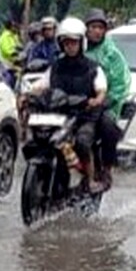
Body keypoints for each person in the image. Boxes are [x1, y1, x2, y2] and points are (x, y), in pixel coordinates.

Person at [42, 17, 109, 193]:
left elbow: (101, 91)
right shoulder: (55, 67)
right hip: (59, 115)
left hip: (84, 116)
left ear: (81, 43)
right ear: (61, 44)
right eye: (66, 42)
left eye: (74, 42)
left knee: (82, 142)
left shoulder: (93, 68)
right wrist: (27, 95)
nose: (70, 46)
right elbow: (40, 86)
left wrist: (96, 100)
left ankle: (89, 179)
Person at [83, 8, 130, 172]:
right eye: (93, 27)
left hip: (105, 103)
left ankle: (106, 167)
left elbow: (120, 84)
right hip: (78, 100)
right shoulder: (77, 49)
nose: (96, 31)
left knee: (107, 126)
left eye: (100, 28)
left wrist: (105, 101)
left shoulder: (112, 54)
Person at [0, 17, 23, 88]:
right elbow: (8, 51)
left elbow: (19, 46)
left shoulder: (14, 36)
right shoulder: (5, 37)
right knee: (9, 87)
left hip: (14, 66)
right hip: (7, 67)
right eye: (15, 26)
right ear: (11, 26)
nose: (17, 27)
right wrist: (16, 53)